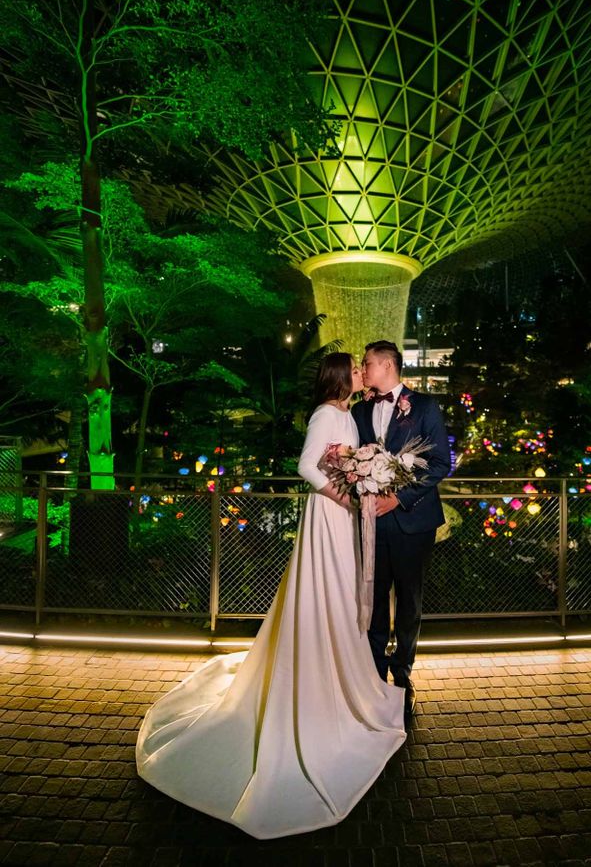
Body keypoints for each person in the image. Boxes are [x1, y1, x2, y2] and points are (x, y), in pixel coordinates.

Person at [136, 353, 405, 840]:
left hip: (341, 520)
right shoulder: (327, 414)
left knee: (340, 597)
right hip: (326, 519)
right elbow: (306, 465)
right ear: (343, 377)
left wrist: (365, 481)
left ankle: (338, 673)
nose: (365, 374)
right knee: (324, 592)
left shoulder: (347, 413)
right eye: (359, 369)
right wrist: (345, 497)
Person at [353, 340, 451, 719]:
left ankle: (403, 673)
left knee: (409, 602)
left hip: (413, 521)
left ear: (386, 365)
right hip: (371, 522)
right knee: (374, 598)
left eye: (367, 364)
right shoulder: (359, 411)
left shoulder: (424, 406)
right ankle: (375, 673)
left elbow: (440, 462)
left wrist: (401, 497)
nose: (363, 371)